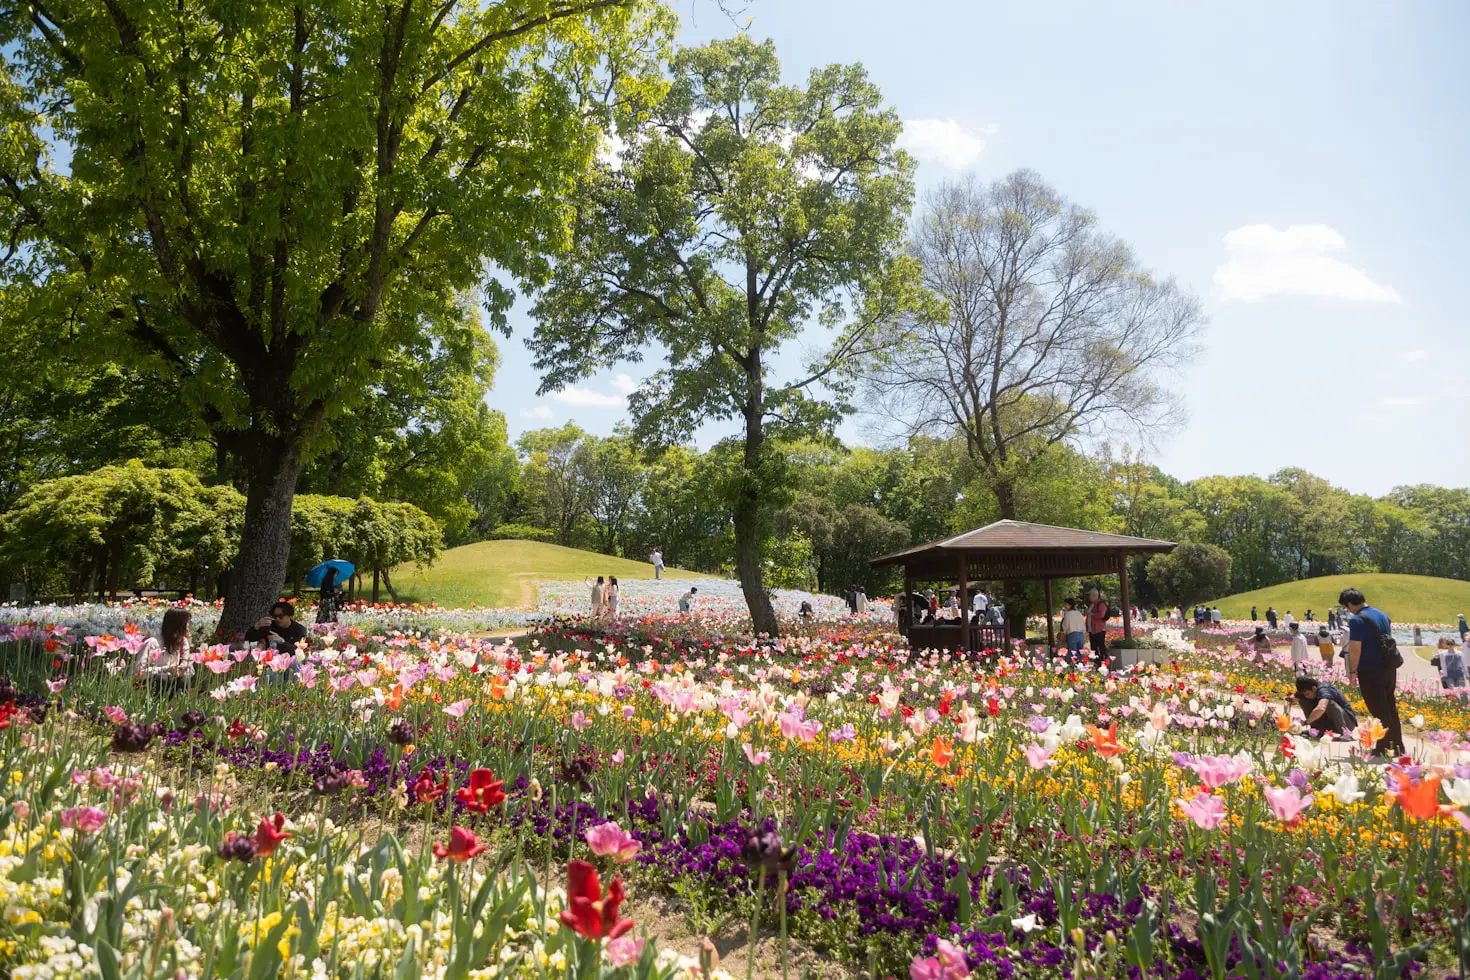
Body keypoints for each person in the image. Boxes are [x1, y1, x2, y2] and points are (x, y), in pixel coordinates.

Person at [1340, 587, 1404, 760]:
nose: (1348, 610)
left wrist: (1352, 671)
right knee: (1390, 706)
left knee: (1378, 709)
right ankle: (1396, 746)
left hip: (1370, 669)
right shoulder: (1381, 614)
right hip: (1388, 666)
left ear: (1351, 604)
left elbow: (1355, 648)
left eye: (1347, 607)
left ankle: (1383, 747)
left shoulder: (1357, 620)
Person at [244, 601, 309, 683]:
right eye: (275, 617)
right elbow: (250, 639)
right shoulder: (271, 627)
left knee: (295, 663)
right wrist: (256, 626)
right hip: (273, 664)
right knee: (269, 676)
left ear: (289, 615)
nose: (277, 619)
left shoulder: (299, 629)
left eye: (280, 616)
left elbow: (298, 652)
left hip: (290, 663)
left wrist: (281, 641)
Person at [133, 607, 194, 694]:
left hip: (172, 683)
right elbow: (138, 672)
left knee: (184, 681)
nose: (189, 625)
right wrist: (166, 669)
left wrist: (182, 670)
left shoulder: (183, 642)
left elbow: (187, 664)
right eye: (187, 622)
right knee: (163, 679)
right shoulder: (152, 643)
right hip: (151, 684)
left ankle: (175, 706)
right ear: (178, 625)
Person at [1289, 676, 1357, 739]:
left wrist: (1306, 722)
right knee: (1303, 700)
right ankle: (1317, 731)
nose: (1306, 696)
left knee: (1329, 703)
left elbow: (1321, 708)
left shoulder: (1324, 690)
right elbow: (1294, 698)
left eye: (1307, 694)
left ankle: (1346, 733)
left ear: (1314, 688)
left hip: (1347, 722)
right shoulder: (1308, 690)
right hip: (1331, 723)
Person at [1431, 637, 1469, 705]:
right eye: (1449, 644)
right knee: (1452, 691)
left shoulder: (1459, 653)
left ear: (1454, 645)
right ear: (1447, 645)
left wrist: (1467, 675)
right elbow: (1443, 665)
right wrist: (1445, 675)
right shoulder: (1443, 654)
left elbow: (1464, 664)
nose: (1450, 646)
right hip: (1449, 675)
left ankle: (1465, 705)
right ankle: (1454, 705)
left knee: (1462, 690)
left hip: (1459, 674)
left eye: (1451, 644)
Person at [1086, 589, 1110, 662]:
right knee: (1093, 648)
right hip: (1092, 630)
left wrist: (1091, 614)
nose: (1088, 597)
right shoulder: (1092, 605)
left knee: (1101, 647)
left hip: (1099, 629)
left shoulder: (1101, 604)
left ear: (1095, 596)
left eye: (1089, 595)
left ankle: (1104, 662)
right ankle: (1096, 662)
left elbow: (1101, 615)